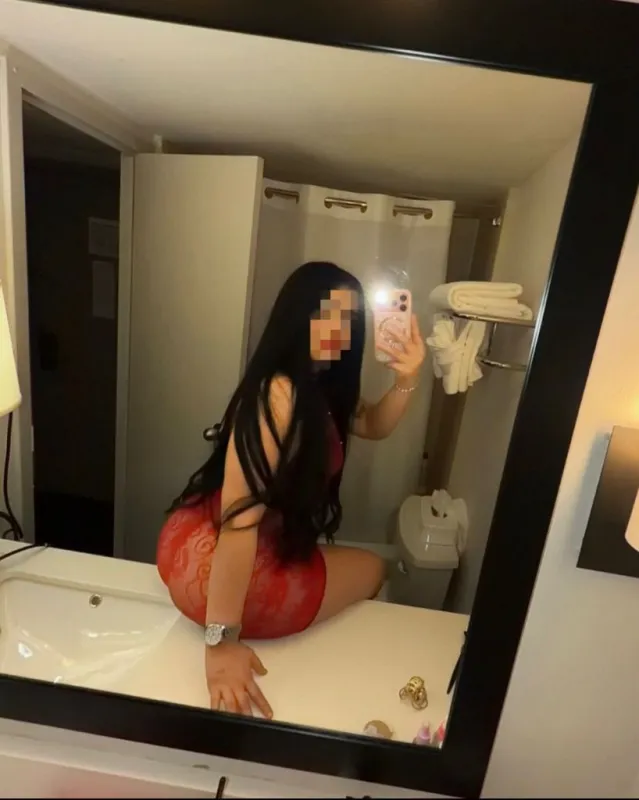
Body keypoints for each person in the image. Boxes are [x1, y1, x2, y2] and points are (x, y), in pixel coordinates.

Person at [157, 261, 426, 719]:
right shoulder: (280, 393)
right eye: (327, 315)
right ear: (298, 315)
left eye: (349, 320)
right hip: (219, 561)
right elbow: (240, 523)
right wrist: (221, 646)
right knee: (374, 568)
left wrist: (408, 377)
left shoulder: (317, 386)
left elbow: (375, 424)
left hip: (202, 539)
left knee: (358, 566)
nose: (339, 330)